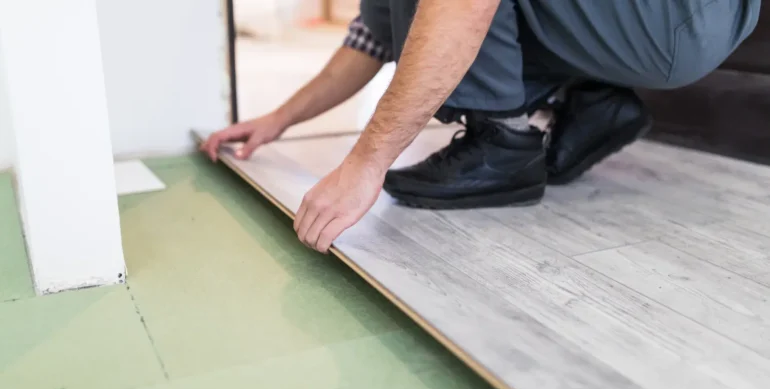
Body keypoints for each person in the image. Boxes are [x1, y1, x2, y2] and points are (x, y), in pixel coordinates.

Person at [202, 0, 760, 253]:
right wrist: (277, 120)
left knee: (444, 15)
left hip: (678, 16)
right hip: (668, 23)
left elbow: (464, 6)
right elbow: (370, 38)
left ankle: (505, 143)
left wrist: (365, 164)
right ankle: (589, 100)